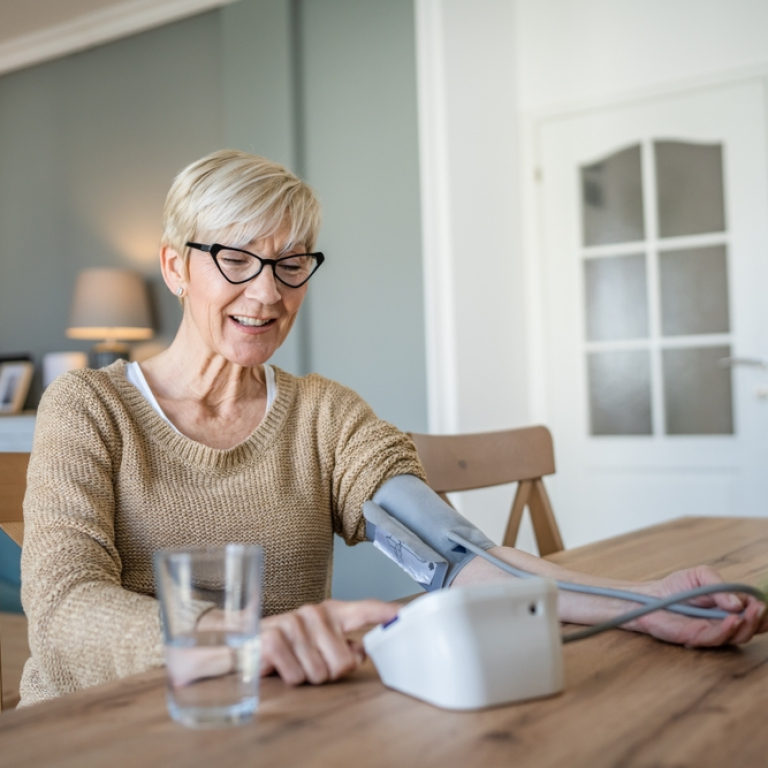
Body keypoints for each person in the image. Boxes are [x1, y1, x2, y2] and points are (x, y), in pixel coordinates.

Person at [19, 150, 767, 707]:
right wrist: (238, 642)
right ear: (176, 266)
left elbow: (455, 557)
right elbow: (62, 609)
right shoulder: (89, 408)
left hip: (266, 724)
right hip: (99, 729)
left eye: (290, 264)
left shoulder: (323, 415)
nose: (268, 292)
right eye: (236, 260)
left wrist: (649, 603)